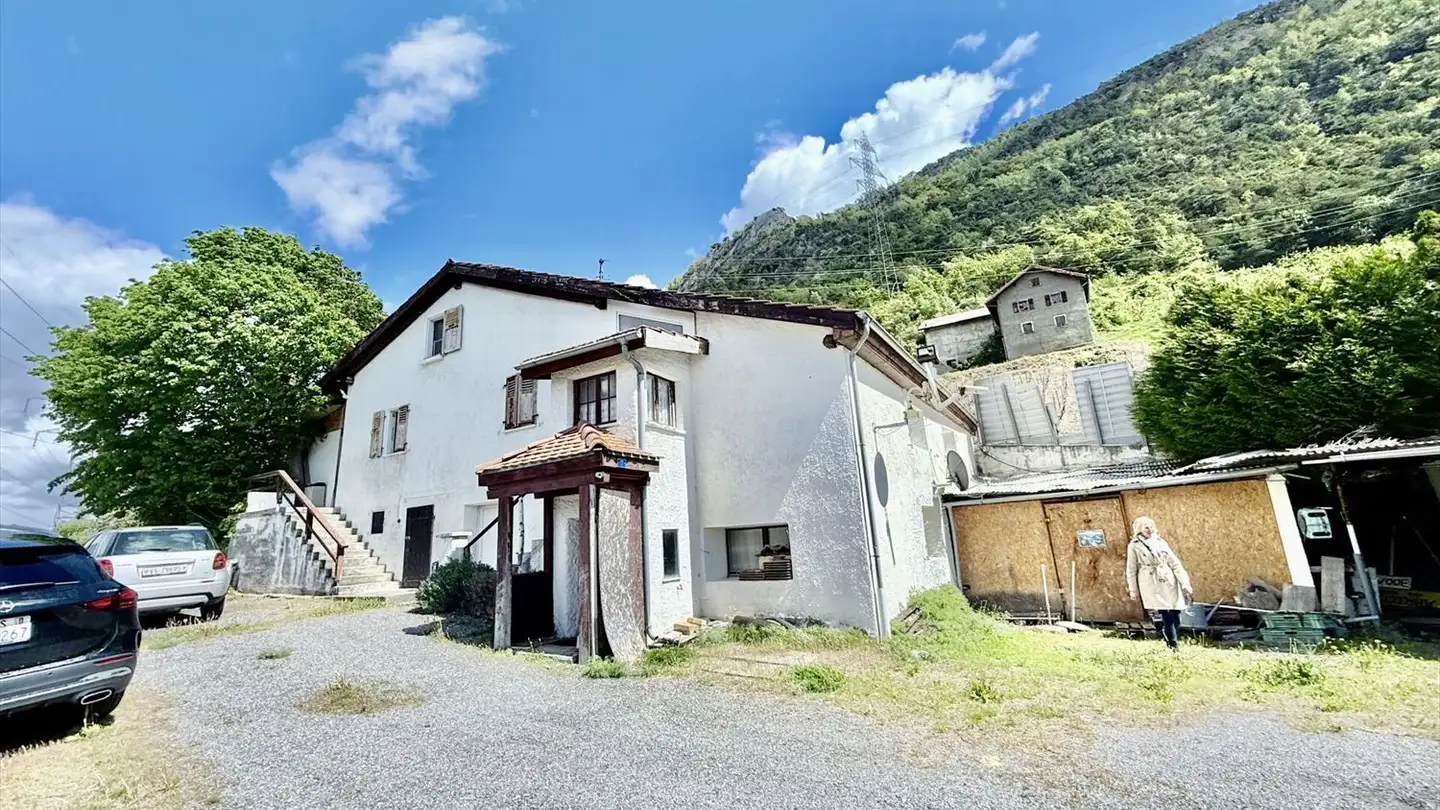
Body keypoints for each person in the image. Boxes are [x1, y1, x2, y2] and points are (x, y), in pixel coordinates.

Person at [1125, 516, 1193, 652]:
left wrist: (1185, 583)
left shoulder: (1161, 542)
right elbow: (1131, 569)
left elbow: (1175, 563)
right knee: (1166, 613)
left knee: (1176, 613)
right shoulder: (1134, 546)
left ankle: (1170, 636)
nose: (1149, 530)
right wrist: (1133, 590)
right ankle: (1173, 645)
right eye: (1146, 527)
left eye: (1151, 526)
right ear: (1140, 529)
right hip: (1152, 581)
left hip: (1168, 579)